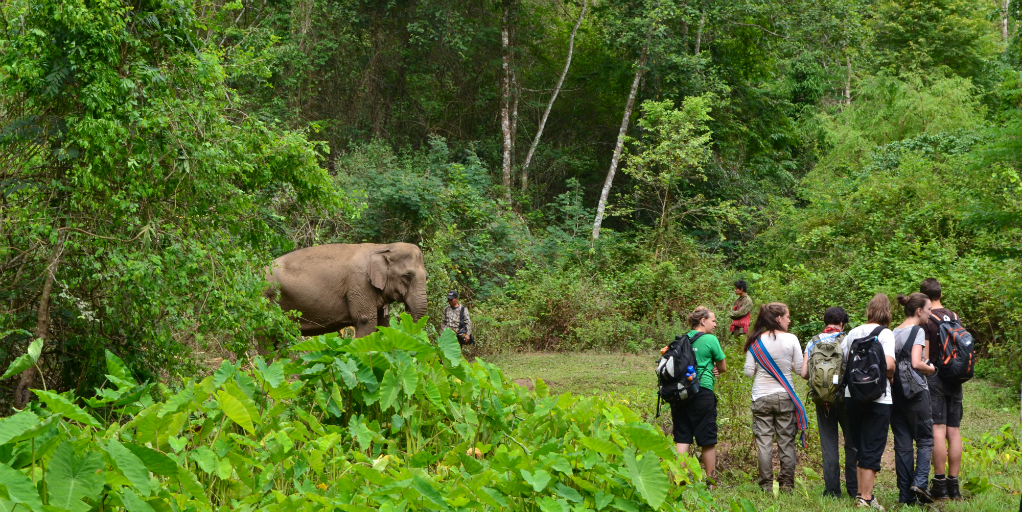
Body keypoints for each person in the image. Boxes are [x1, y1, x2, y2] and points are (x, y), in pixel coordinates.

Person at [842, 293, 896, 510]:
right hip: (879, 397)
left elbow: (847, 363)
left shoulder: (852, 333)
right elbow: (890, 365)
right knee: (873, 447)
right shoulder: (886, 334)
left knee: (859, 445)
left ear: (868, 311)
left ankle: (860, 494)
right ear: (887, 312)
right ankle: (866, 498)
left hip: (852, 395)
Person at [743, 303, 803, 493]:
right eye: (787, 317)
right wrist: (787, 364)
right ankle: (786, 485)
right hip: (785, 396)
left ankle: (766, 486)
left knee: (764, 443)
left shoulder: (755, 340)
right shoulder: (792, 339)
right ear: (779, 318)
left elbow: (748, 372)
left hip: (761, 396)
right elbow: (801, 370)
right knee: (786, 441)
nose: (789, 320)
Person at [799, 306, 858, 499]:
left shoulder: (813, 341)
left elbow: (804, 373)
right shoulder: (848, 339)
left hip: (822, 400)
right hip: (845, 398)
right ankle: (853, 487)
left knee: (829, 445)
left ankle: (832, 490)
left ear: (825, 322)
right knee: (851, 443)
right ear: (842, 323)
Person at [669, 307, 727, 485]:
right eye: (713, 321)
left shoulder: (682, 339)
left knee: (682, 437)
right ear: (703, 321)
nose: (715, 324)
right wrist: (713, 369)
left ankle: (680, 480)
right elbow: (723, 367)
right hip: (702, 392)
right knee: (707, 439)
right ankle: (712, 481)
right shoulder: (710, 339)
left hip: (680, 394)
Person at [892, 293, 937, 505]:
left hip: (896, 394)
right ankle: (920, 482)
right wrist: (931, 368)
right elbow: (917, 362)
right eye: (928, 310)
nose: (930, 314)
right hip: (917, 393)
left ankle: (905, 495)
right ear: (919, 311)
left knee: (902, 445)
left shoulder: (893, 332)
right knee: (926, 440)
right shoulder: (918, 330)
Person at [920, 278, 963, 500]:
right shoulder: (955, 317)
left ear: (925, 298)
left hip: (935, 376)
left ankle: (939, 484)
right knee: (953, 430)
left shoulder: (927, 319)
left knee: (938, 428)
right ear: (941, 294)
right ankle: (954, 486)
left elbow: (925, 357)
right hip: (955, 377)